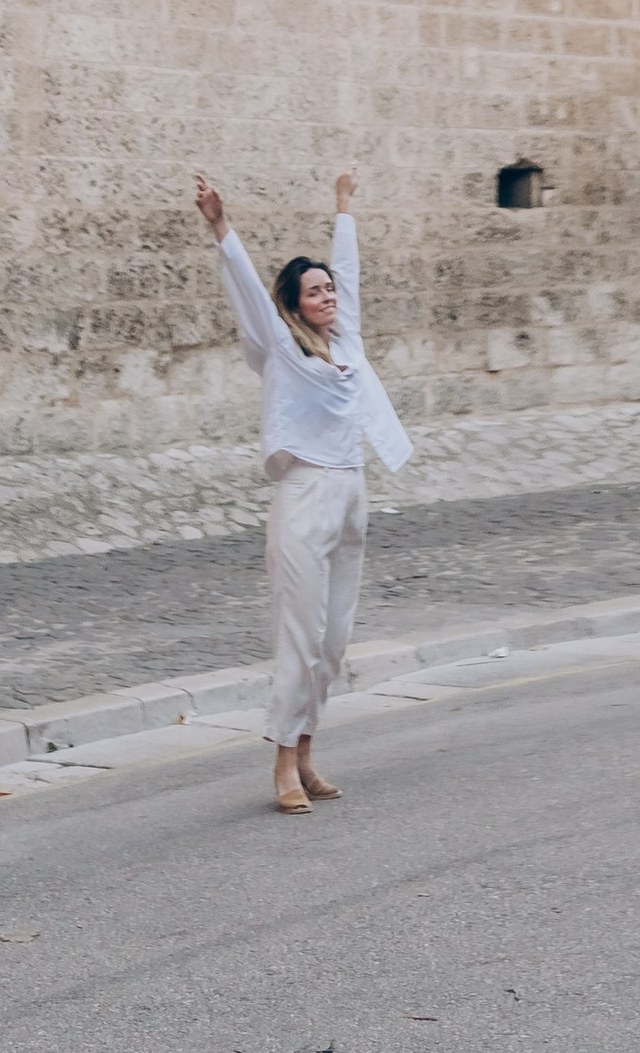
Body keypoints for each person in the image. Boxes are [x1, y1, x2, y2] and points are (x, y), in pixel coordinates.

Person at [194, 165, 411, 815]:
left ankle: (308, 748)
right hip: (304, 495)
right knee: (300, 631)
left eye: (329, 288)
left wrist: (343, 204)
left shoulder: (347, 342)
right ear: (292, 303)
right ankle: (282, 761)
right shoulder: (281, 349)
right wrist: (220, 228)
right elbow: (249, 295)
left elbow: (349, 267)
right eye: (313, 291)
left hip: (351, 493)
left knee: (335, 638)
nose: (327, 295)